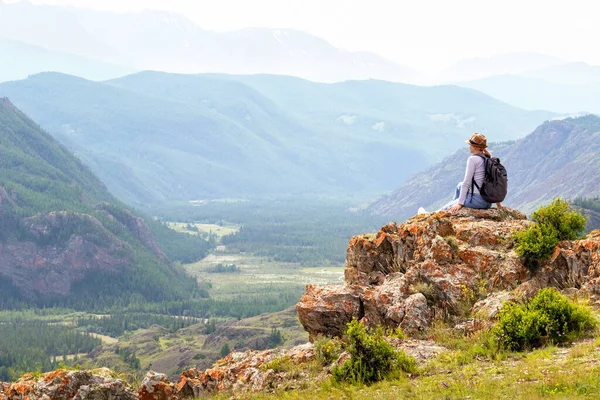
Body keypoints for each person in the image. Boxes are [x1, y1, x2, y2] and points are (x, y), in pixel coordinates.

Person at [437, 132, 501, 214]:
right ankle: (454, 204)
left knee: (461, 190)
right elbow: (496, 182)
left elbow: (467, 182)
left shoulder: (473, 159)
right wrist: (499, 205)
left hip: (477, 201)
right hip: (487, 202)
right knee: (459, 186)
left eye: (470, 145)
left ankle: (432, 214)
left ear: (476, 147)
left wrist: (460, 204)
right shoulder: (489, 159)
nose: (469, 146)